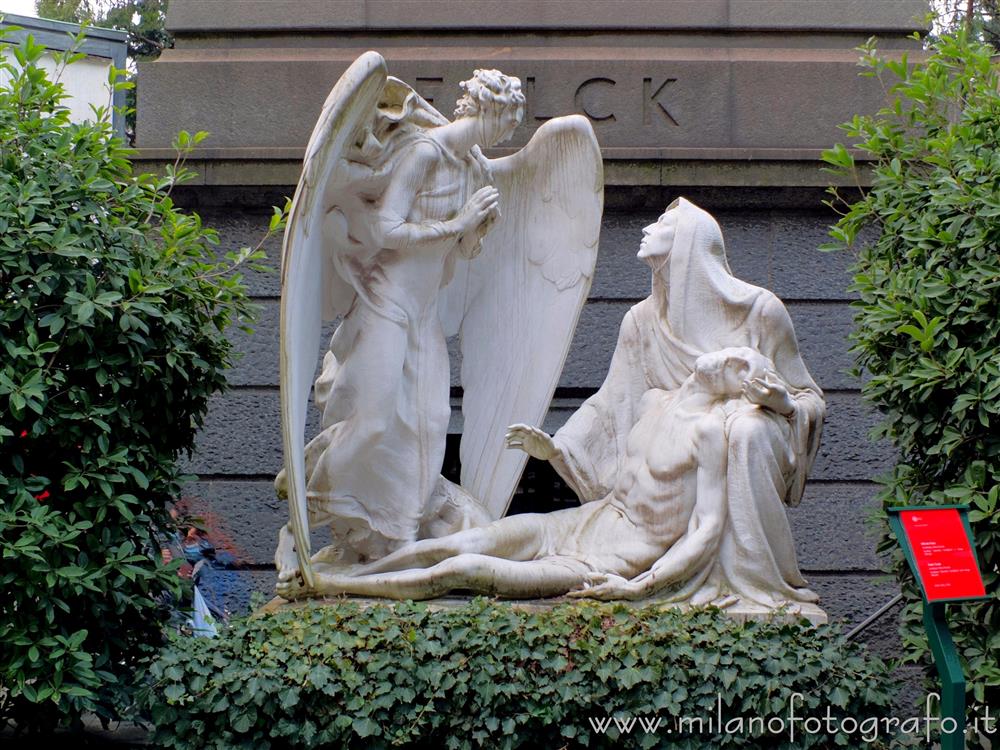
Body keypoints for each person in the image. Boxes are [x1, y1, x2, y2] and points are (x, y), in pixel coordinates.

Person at [508, 198, 824, 607]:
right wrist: (559, 447)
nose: (646, 229)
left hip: (737, 443)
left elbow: (809, 398)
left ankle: (754, 581)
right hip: (672, 463)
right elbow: (614, 399)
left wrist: (783, 405)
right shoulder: (640, 321)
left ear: (690, 243)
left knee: (748, 428)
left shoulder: (759, 310)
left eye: (662, 224)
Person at [274, 70, 525, 582]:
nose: (506, 135)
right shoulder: (425, 154)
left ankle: (399, 539)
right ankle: (307, 511)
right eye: (506, 121)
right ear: (487, 110)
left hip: (423, 314)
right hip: (385, 303)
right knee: (371, 422)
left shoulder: (477, 170)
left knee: (430, 426)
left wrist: (473, 230)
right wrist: (457, 223)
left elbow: (462, 254)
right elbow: (386, 228)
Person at [276, 348, 780, 601]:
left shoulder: (712, 433)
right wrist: (553, 453)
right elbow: (608, 479)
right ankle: (345, 572)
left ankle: (324, 583)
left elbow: (709, 527)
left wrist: (639, 587)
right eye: (735, 353)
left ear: (743, 391)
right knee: (460, 543)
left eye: (745, 367)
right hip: (580, 522)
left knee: (461, 571)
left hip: (611, 558)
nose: (732, 359)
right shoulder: (654, 402)